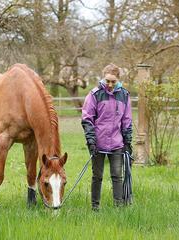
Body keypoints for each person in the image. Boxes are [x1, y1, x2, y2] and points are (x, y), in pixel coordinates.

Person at [81, 63, 132, 211]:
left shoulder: (124, 95)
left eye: (113, 81)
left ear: (118, 80)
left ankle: (119, 208)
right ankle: (95, 208)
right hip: (98, 143)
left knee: (117, 175)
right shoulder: (95, 94)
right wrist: (91, 140)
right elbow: (87, 118)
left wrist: (127, 141)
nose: (109, 84)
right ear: (103, 78)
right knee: (97, 176)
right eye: (107, 80)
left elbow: (127, 120)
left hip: (117, 143)